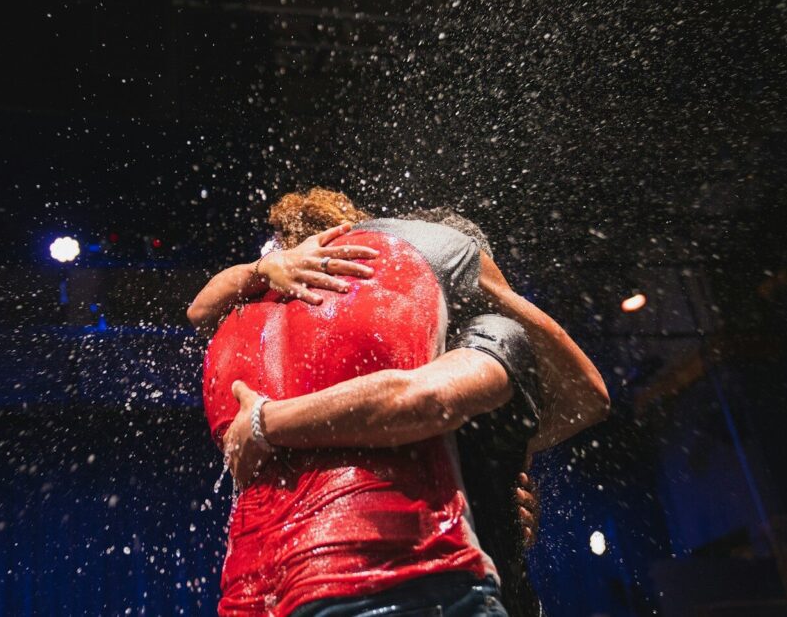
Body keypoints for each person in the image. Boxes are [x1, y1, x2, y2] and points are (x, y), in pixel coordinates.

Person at [190, 189, 609, 616]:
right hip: (416, 578)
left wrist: (501, 473)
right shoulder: (410, 323)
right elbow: (423, 399)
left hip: (262, 592)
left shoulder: (244, 326)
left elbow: (196, 312)